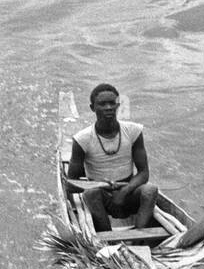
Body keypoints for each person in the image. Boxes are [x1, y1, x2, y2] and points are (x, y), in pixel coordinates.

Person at [66, 83, 159, 232]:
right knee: (91, 193)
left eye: (112, 103)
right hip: (100, 196)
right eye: (102, 104)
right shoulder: (82, 139)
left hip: (128, 192)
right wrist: (100, 185)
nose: (108, 107)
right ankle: (107, 240)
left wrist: (124, 191)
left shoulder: (134, 131)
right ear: (92, 108)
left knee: (150, 190)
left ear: (118, 105)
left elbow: (143, 173)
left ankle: (139, 238)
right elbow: (71, 184)